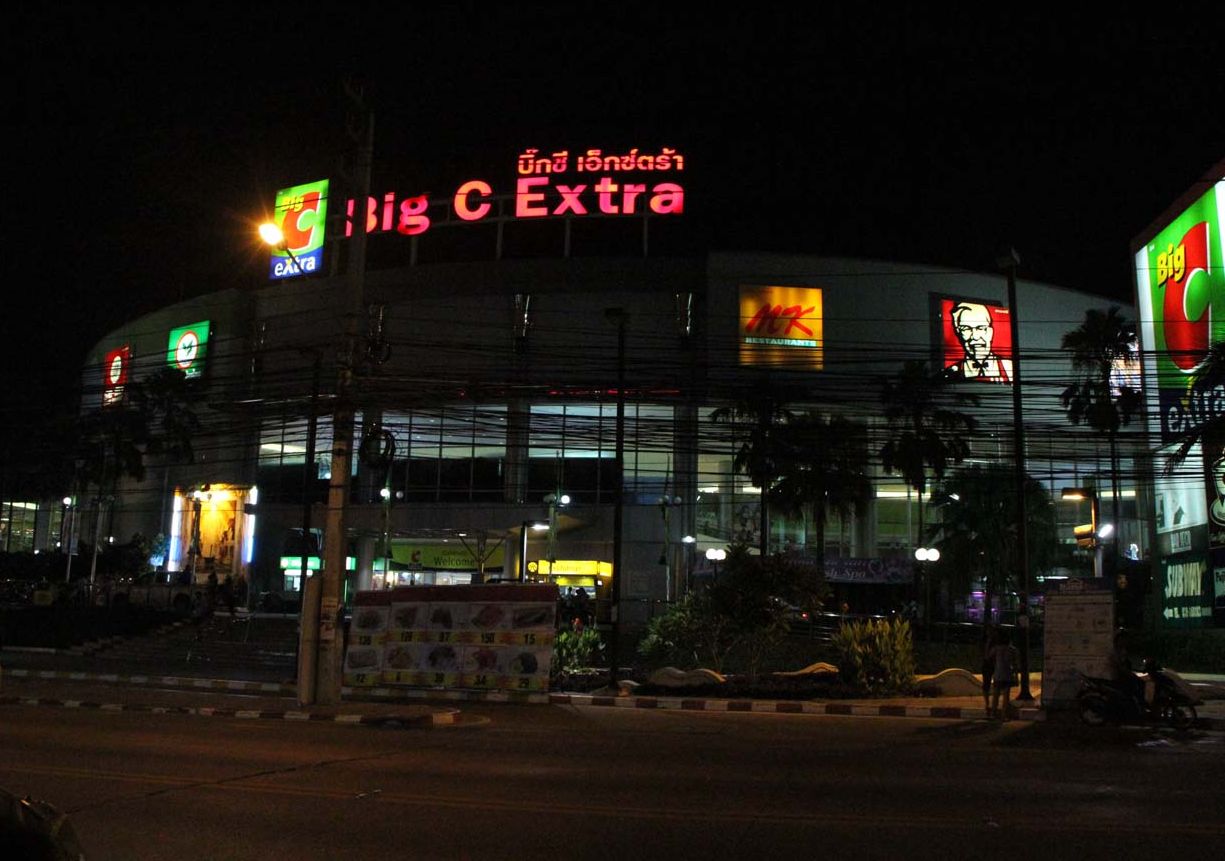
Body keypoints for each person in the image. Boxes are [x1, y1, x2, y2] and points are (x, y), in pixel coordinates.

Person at [943, 302, 1013, 383]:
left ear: (990, 332)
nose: (975, 337)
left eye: (981, 328)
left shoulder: (1009, 368)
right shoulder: (951, 374)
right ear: (958, 334)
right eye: (966, 329)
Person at [987, 628, 1020, 719]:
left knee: (996, 695)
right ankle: (1004, 715)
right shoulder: (1012, 650)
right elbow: (1015, 664)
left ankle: (993, 714)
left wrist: (989, 642)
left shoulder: (996, 649)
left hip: (998, 673)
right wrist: (1016, 676)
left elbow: (988, 657)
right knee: (1006, 696)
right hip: (1008, 674)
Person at [980, 625, 997, 714]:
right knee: (986, 684)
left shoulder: (995, 642)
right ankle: (987, 704)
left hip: (993, 664)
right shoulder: (985, 642)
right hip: (987, 664)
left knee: (996, 685)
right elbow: (984, 654)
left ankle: (992, 704)